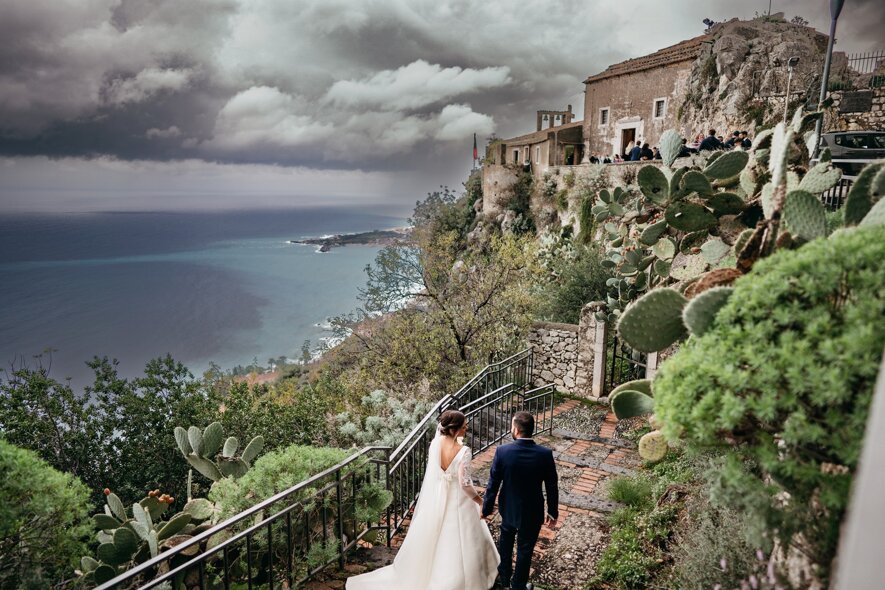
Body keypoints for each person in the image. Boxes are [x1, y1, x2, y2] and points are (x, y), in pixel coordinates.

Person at [347, 410, 499, 590]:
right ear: (454, 429)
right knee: (461, 537)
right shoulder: (463, 451)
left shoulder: (435, 443)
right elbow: (465, 484)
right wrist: (479, 501)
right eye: (464, 426)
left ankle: (428, 571)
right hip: (458, 499)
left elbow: (436, 473)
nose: (466, 428)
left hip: (437, 496)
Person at [483, 412, 559, 590]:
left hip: (508, 508)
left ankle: (504, 578)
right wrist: (552, 512)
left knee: (506, 543)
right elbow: (552, 485)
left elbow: (493, 483)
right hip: (532, 511)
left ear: (516, 430)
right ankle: (518, 586)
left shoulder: (503, 452)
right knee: (525, 550)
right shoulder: (545, 454)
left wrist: (486, 508)